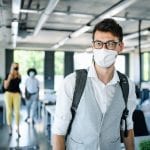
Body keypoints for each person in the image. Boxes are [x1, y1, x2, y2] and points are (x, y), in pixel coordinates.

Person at [52, 18, 137, 150]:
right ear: (93, 46)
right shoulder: (72, 82)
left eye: (110, 44)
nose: (103, 49)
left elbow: (127, 128)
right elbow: (59, 132)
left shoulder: (127, 85)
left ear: (120, 46)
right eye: (98, 43)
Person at [4, 62, 21, 138]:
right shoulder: (8, 75)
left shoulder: (19, 75)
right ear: (11, 67)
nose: (15, 69)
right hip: (8, 94)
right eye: (14, 67)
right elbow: (5, 86)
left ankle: (18, 128)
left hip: (16, 94)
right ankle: (10, 128)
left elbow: (18, 84)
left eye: (17, 67)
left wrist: (17, 75)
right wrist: (9, 78)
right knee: (9, 111)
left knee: (17, 112)